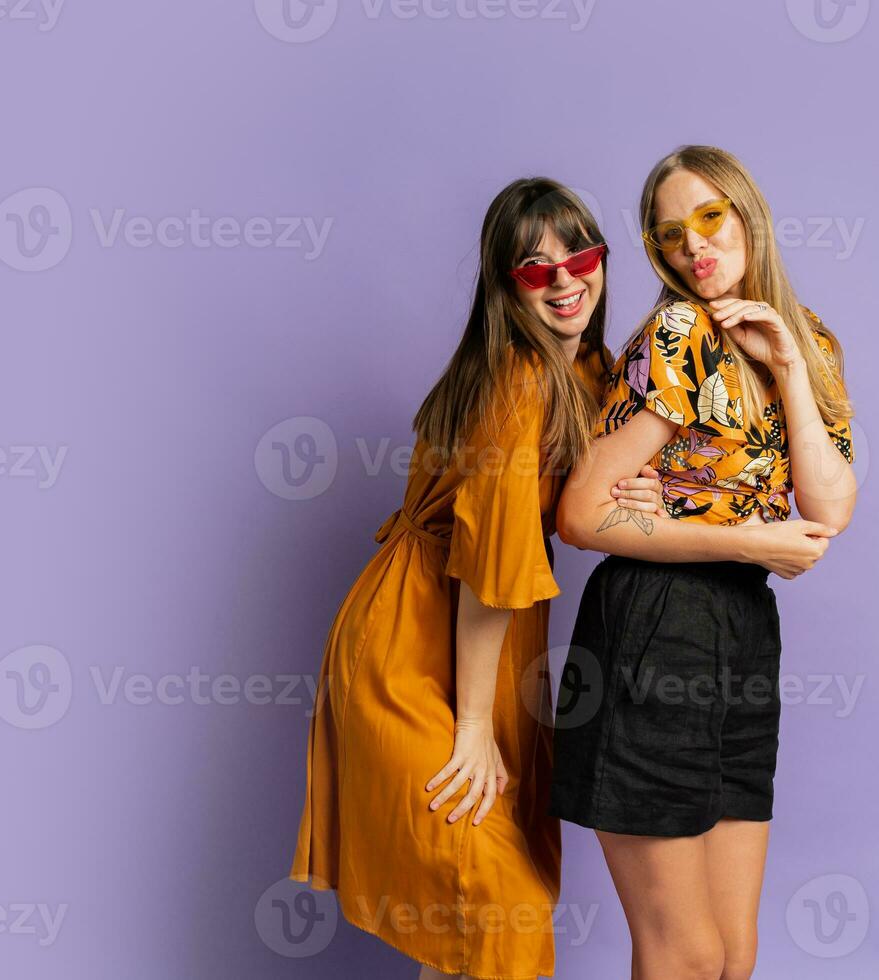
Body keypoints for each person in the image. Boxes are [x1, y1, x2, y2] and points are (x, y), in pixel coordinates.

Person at [289, 178, 663, 980]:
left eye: (580, 256)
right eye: (535, 268)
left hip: (483, 643)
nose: (565, 281)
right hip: (414, 645)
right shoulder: (518, 383)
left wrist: (640, 491)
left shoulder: (590, 367)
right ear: (505, 285)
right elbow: (491, 574)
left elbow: (584, 508)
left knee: (461, 924)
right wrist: (470, 727)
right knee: (497, 906)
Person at [551, 145, 859, 980]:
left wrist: (790, 367)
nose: (694, 247)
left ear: (747, 214)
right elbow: (581, 511)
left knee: (733, 957)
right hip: (657, 618)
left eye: (709, 219)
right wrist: (747, 540)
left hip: (743, 626)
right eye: (670, 235)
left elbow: (828, 507)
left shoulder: (812, 340)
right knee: (683, 953)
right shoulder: (679, 332)